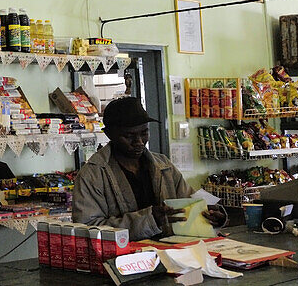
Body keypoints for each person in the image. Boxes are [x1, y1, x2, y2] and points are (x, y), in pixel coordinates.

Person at [72, 96, 226, 239]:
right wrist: (149, 220)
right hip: (124, 261)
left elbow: (191, 201)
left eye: (144, 133)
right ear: (109, 134)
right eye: (129, 136)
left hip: (171, 255)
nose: (139, 141)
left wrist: (213, 214)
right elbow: (88, 229)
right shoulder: (92, 175)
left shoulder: (164, 165)